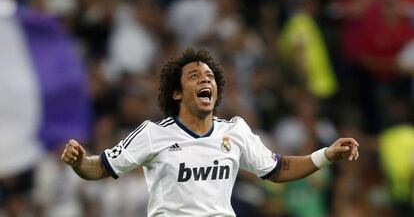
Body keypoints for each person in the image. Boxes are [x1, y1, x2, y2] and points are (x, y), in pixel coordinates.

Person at [61, 48, 359, 217]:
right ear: (177, 93)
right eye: (195, 76)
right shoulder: (153, 134)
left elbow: (278, 168)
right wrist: (78, 161)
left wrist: (326, 155)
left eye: (210, 76)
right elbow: (98, 168)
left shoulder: (235, 131)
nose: (206, 79)